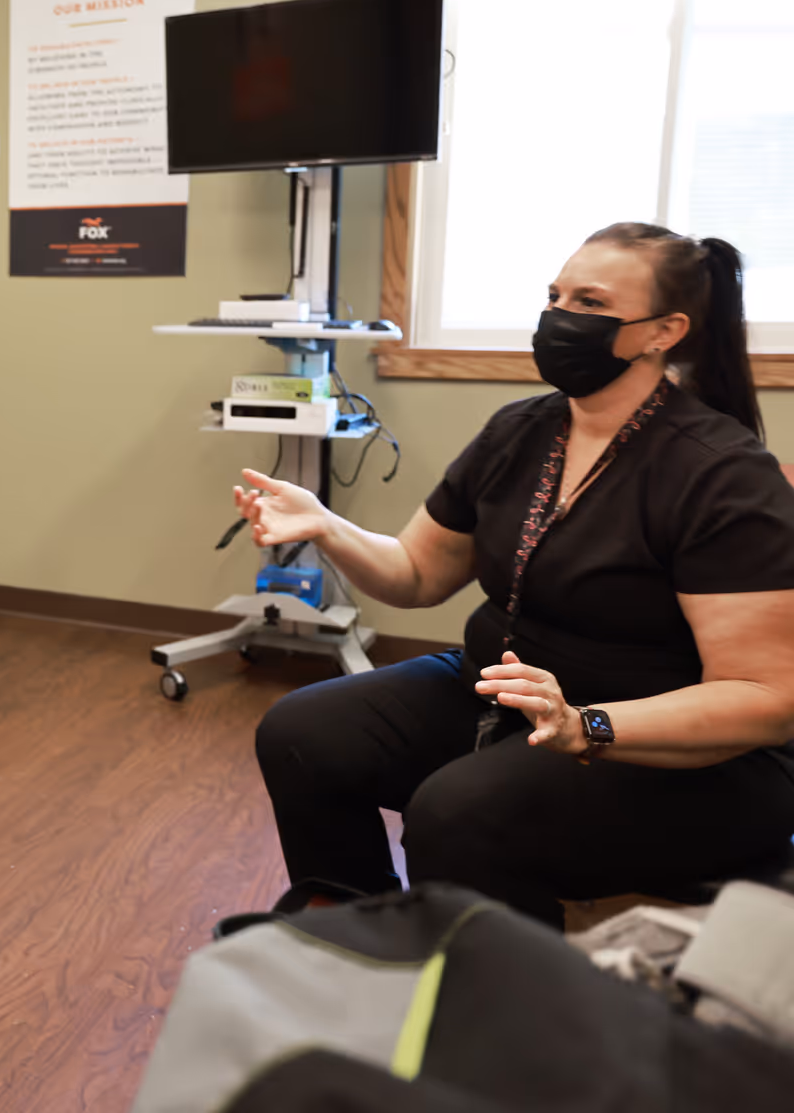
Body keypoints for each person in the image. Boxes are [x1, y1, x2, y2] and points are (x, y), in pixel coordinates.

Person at [243, 223, 794, 928]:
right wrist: (326, 524)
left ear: (664, 331)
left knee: (456, 815)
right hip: (515, 692)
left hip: (678, 746)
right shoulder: (520, 431)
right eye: (554, 295)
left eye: (590, 303)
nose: (559, 317)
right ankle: (363, 939)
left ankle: (506, 1005)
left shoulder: (719, 473)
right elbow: (416, 575)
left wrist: (590, 725)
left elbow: (765, 699)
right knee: (303, 731)